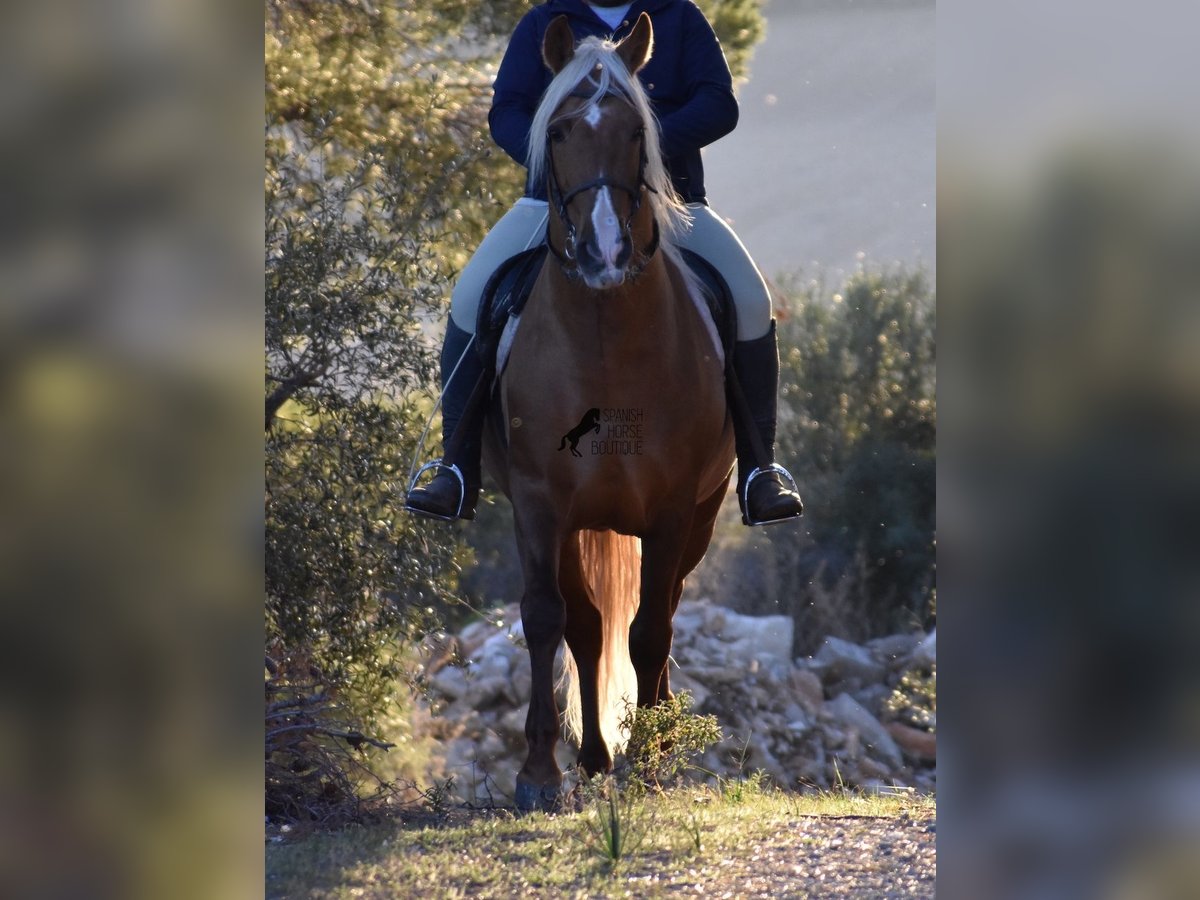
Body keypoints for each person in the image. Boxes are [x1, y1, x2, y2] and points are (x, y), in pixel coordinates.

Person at [406, 0, 803, 525]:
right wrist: (566, 161)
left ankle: (759, 471)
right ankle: (455, 467)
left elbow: (718, 103)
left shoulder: (678, 16)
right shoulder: (545, 21)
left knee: (752, 301)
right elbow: (507, 111)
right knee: (470, 295)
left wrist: (640, 147)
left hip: (672, 199)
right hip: (557, 202)